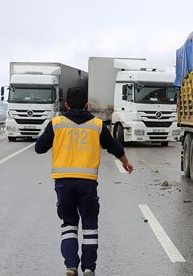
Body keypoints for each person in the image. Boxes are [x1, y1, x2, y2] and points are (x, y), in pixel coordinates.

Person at [35, 87, 134, 276]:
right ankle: (88, 268)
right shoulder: (97, 124)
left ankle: (71, 266)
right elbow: (114, 147)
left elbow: (39, 148)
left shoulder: (56, 123)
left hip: (63, 183)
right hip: (87, 183)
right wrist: (126, 163)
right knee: (89, 226)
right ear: (87, 105)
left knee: (69, 224)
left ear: (66, 105)